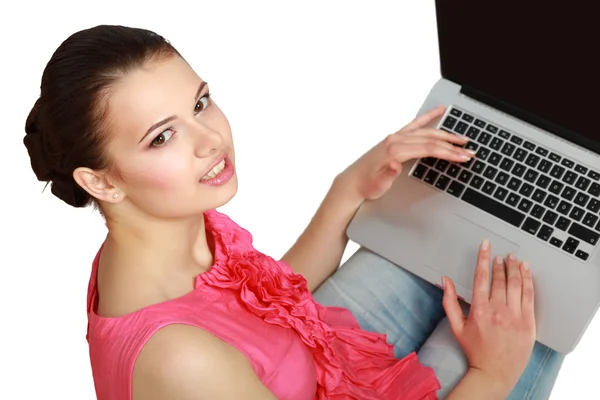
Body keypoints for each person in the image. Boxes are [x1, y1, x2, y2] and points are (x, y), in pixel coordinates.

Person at [23, 25, 564, 399]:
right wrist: (492, 375)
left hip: (321, 360)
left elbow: (258, 309)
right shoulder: (181, 359)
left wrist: (349, 187)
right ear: (101, 181)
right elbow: (211, 344)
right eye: (162, 136)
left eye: (199, 102)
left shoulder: (156, 231)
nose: (210, 139)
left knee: (453, 226)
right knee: (540, 288)